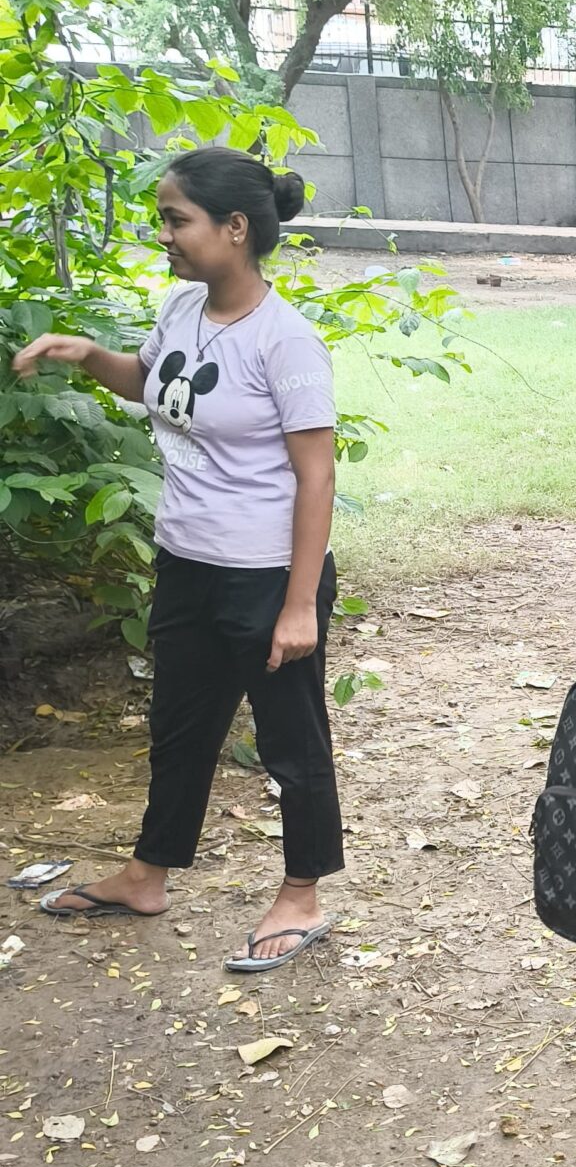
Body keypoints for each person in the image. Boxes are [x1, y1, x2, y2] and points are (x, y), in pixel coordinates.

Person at [10, 146, 343, 970]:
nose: (163, 234)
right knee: (179, 730)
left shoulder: (286, 341)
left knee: (290, 742)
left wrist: (299, 605)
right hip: (188, 560)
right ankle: (147, 875)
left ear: (235, 229)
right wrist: (90, 356)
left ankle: (301, 893)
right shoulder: (183, 306)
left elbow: (317, 476)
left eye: (176, 219)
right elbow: (152, 384)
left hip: (267, 574)